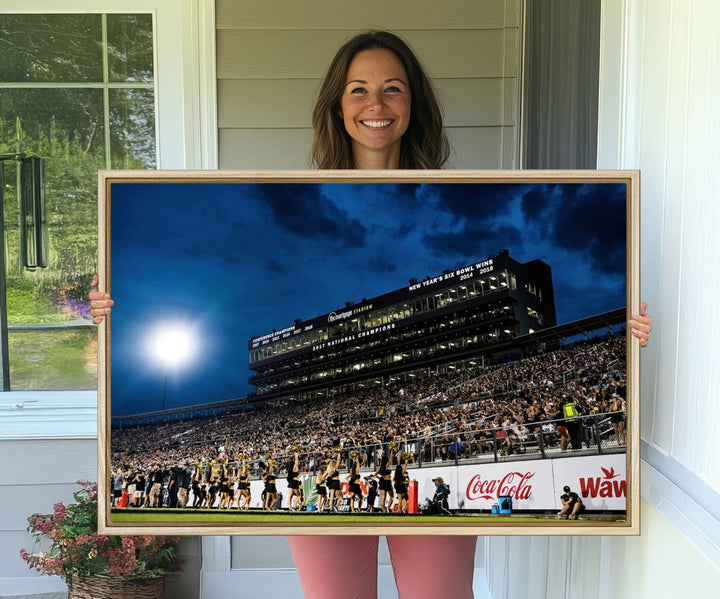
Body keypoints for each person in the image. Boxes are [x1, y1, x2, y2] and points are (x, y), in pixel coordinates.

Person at [90, 28, 654, 599]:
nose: (375, 104)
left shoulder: (463, 192)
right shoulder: (297, 194)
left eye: (393, 89)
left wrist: (629, 336)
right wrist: (107, 311)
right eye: (358, 89)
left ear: (414, 105)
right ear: (337, 105)